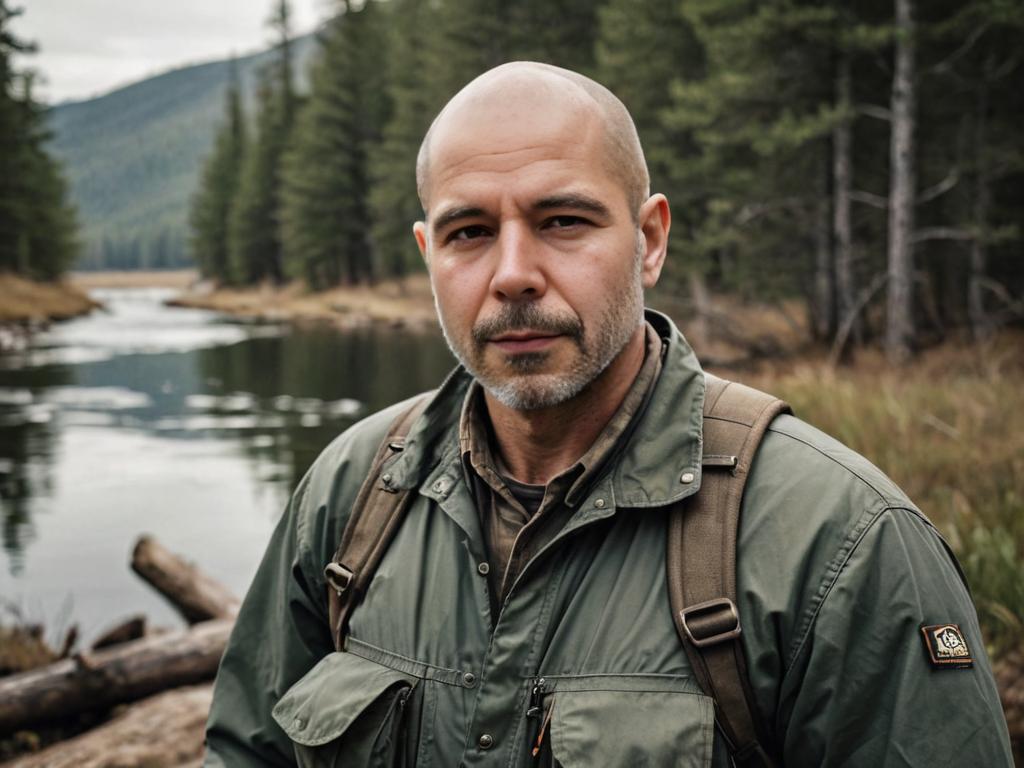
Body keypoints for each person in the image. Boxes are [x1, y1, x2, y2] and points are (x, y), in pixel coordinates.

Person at [204, 62, 1013, 766]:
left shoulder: (841, 540)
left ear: (650, 240)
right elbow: (250, 748)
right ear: (429, 256)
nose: (514, 273)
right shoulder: (350, 495)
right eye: (470, 232)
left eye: (562, 221)